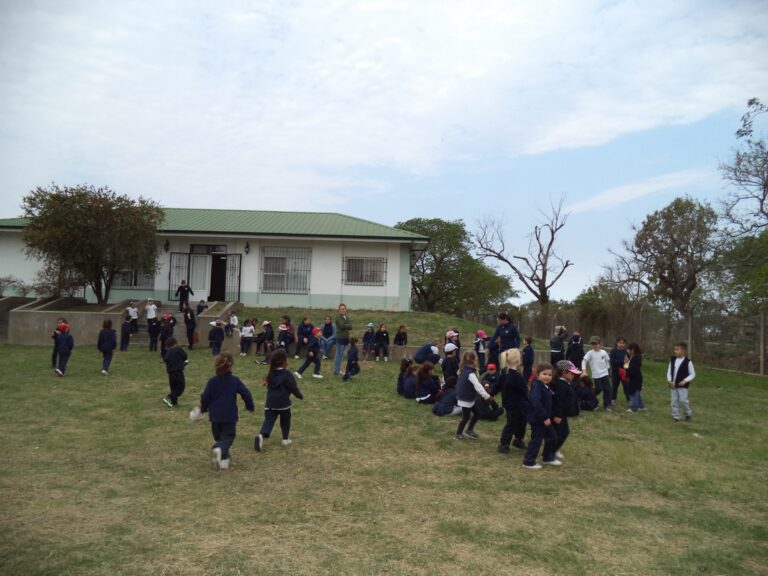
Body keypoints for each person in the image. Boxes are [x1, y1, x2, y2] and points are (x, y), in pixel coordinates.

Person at [200, 352, 255, 471]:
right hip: (229, 416)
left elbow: (205, 397)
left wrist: (203, 409)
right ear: (231, 366)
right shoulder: (235, 381)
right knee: (228, 437)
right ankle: (218, 449)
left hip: (215, 416)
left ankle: (224, 462)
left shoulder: (212, 381)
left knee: (220, 438)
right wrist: (249, 406)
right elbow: (246, 393)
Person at [255, 348, 304, 451]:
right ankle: (285, 439)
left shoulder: (271, 373)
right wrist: (299, 395)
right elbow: (293, 387)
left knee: (268, 420)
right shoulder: (287, 374)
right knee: (285, 420)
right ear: (283, 362)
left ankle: (261, 436)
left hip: (270, 403)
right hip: (283, 404)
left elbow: (267, 381)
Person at [522, 363, 559, 469]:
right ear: (538, 375)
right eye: (544, 374)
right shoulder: (537, 386)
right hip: (538, 419)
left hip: (545, 418)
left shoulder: (545, 386)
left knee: (552, 436)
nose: (547, 377)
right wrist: (544, 417)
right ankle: (528, 462)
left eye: (549, 375)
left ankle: (547, 457)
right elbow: (535, 402)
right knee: (536, 440)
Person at [494, 349, 529, 452]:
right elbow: (524, 390)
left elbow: (497, 386)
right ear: (517, 360)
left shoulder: (504, 373)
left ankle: (518, 440)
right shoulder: (516, 376)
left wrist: (491, 393)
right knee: (512, 424)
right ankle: (503, 444)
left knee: (521, 421)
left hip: (510, 403)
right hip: (516, 404)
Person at [453, 351, 492, 440]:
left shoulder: (464, 370)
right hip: (466, 398)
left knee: (477, 413)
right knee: (466, 417)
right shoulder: (470, 373)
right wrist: (487, 396)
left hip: (467, 397)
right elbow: (478, 386)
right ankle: (458, 433)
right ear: (474, 360)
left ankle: (469, 430)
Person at [552, 360, 582, 461]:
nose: (574, 375)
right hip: (559, 415)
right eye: (572, 373)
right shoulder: (561, 385)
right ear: (564, 373)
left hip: (563, 414)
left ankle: (554, 450)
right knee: (558, 433)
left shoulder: (565, 383)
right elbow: (558, 401)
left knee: (564, 432)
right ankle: (549, 452)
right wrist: (558, 415)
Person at [581, 336, 612, 411]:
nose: (594, 345)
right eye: (592, 344)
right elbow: (584, 361)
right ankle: (589, 397)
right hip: (596, 375)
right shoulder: (590, 353)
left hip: (605, 374)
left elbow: (607, 362)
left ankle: (607, 405)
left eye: (595, 344)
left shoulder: (603, 352)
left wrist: (608, 371)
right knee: (599, 388)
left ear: (599, 344)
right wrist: (584, 371)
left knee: (607, 389)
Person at [667, 342, 695, 422]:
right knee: (674, 401)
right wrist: (669, 380)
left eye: (677, 350)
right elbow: (669, 371)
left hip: (682, 386)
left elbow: (692, 374)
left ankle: (688, 414)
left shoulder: (688, 362)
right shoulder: (672, 360)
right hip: (673, 385)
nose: (675, 351)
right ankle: (676, 417)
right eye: (675, 349)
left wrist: (685, 381)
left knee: (683, 400)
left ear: (683, 351)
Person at [163, 337, 188, 407]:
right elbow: (185, 356)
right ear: (175, 343)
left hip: (170, 373)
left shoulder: (168, 352)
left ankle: (173, 403)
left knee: (173, 388)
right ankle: (169, 397)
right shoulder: (178, 349)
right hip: (178, 371)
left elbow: (166, 360)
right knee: (181, 386)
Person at [625, 342, 645, 413]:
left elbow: (633, 370)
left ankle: (634, 408)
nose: (627, 351)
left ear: (632, 350)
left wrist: (628, 373)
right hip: (635, 378)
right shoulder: (633, 358)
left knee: (633, 393)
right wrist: (626, 364)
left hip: (635, 379)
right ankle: (641, 406)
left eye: (628, 349)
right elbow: (628, 368)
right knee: (637, 393)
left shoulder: (636, 358)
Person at [610, 337, 630, 406]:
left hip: (623, 372)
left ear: (625, 344)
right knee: (614, 386)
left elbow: (627, 362)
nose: (621, 344)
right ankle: (613, 399)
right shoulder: (613, 351)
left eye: (623, 343)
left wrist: (626, 369)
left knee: (626, 386)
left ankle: (629, 400)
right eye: (620, 343)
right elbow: (612, 362)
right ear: (617, 343)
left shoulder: (626, 352)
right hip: (615, 371)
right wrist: (622, 361)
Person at [334, 304, 352, 375]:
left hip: (346, 338)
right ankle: (337, 370)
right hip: (340, 338)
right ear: (339, 310)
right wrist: (347, 325)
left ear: (346, 309)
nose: (343, 310)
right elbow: (341, 326)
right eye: (341, 309)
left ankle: (338, 369)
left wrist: (346, 325)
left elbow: (351, 327)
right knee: (339, 354)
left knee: (342, 355)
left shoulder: (346, 317)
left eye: (344, 309)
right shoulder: (338, 317)